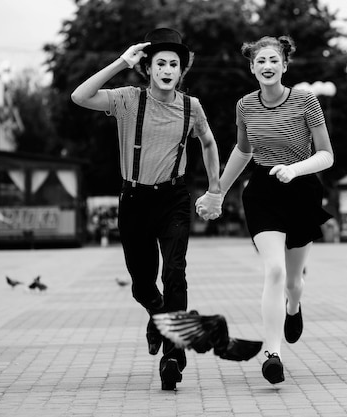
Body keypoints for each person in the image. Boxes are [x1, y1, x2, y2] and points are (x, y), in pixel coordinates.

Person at [71, 28, 222, 391]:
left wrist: (214, 187)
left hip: (173, 199)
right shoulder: (127, 99)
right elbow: (79, 96)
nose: (167, 69)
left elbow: (209, 142)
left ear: (180, 71)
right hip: (135, 201)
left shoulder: (191, 106)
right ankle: (157, 317)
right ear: (149, 68)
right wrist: (122, 62)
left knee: (175, 273)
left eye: (174, 64)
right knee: (142, 285)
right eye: (160, 63)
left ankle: (173, 352)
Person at [197, 35, 334, 384]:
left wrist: (295, 169)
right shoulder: (245, 105)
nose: (267, 66)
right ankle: (273, 354)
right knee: (273, 270)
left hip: (302, 188)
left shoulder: (306, 100)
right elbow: (242, 152)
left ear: (284, 65)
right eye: (261, 61)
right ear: (253, 68)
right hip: (263, 192)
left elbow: (326, 155)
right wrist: (217, 191)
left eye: (274, 60)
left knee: (293, 281)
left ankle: (294, 306)